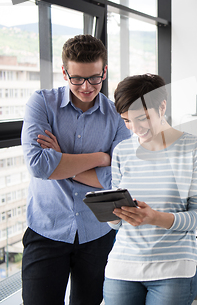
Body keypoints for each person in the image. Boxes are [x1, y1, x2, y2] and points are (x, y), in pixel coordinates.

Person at [20, 35, 130, 305]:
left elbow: (118, 177)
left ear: (104, 71)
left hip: (97, 232)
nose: (86, 87)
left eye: (94, 78)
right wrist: (101, 157)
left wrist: (61, 160)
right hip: (46, 229)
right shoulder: (41, 103)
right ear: (64, 72)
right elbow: (39, 165)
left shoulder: (117, 115)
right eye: (77, 78)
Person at [103, 74, 197, 305]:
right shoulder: (122, 151)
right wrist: (112, 214)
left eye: (142, 118)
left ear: (162, 107)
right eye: (127, 121)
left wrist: (154, 218)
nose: (135, 128)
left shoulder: (195, 148)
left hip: (173, 268)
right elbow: (117, 224)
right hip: (123, 265)